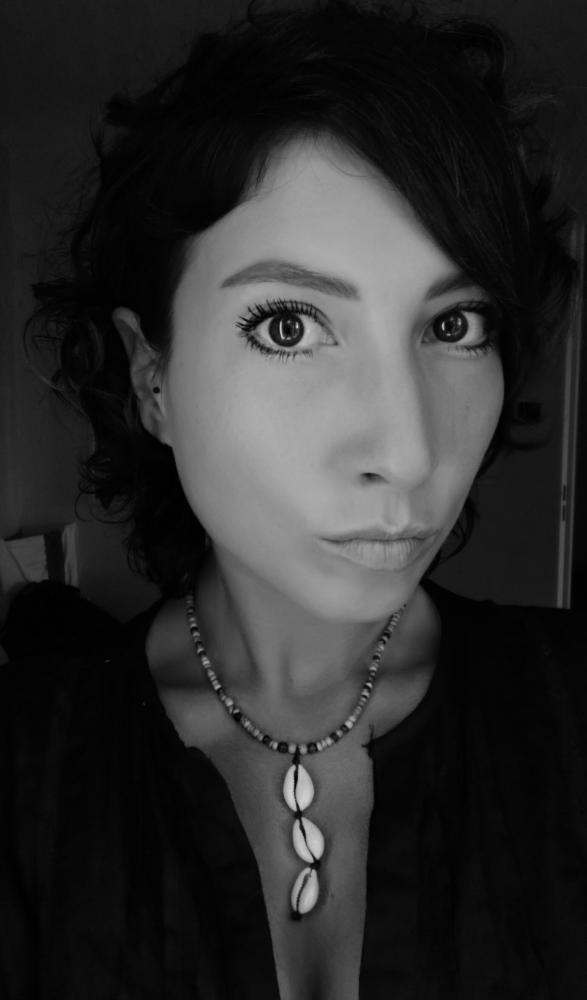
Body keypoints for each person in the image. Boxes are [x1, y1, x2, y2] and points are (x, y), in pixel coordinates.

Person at [2, 1, 586, 997]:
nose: (406, 450)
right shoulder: (26, 772)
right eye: (287, 327)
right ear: (151, 377)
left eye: (455, 325)